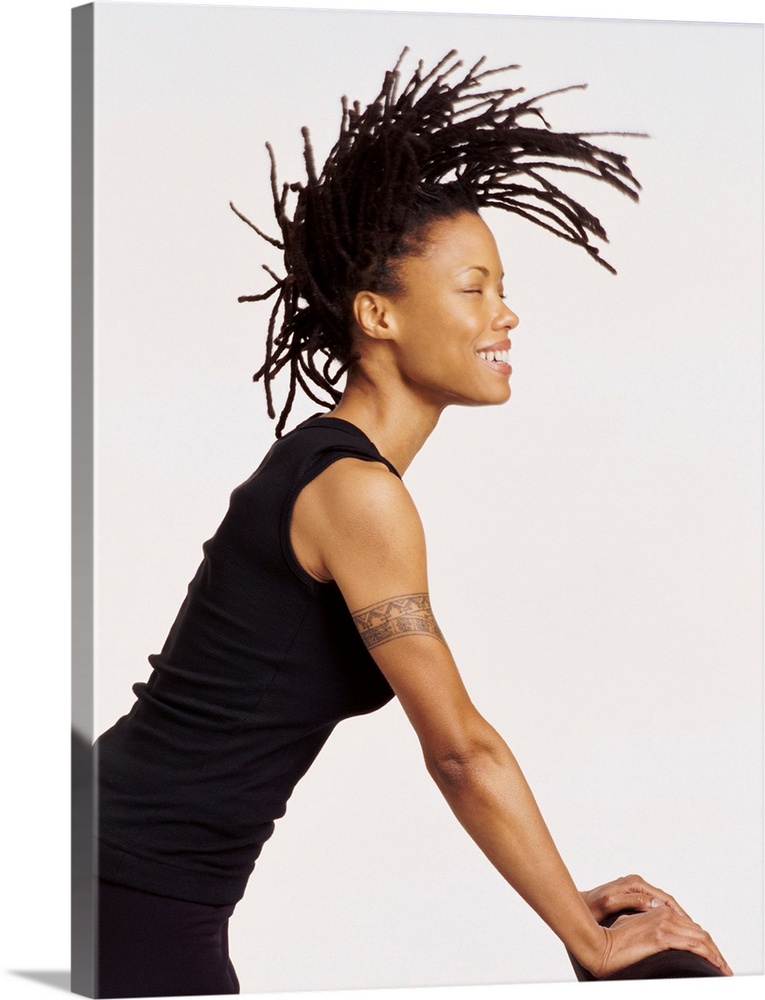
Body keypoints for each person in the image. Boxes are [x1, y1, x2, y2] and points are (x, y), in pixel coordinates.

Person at [94, 51, 732, 998]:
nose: (505, 313)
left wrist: (566, 896)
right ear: (376, 314)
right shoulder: (356, 492)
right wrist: (586, 940)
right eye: (473, 288)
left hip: (123, 870)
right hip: (126, 888)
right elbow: (459, 750)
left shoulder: (328, 464)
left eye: (501, 287)